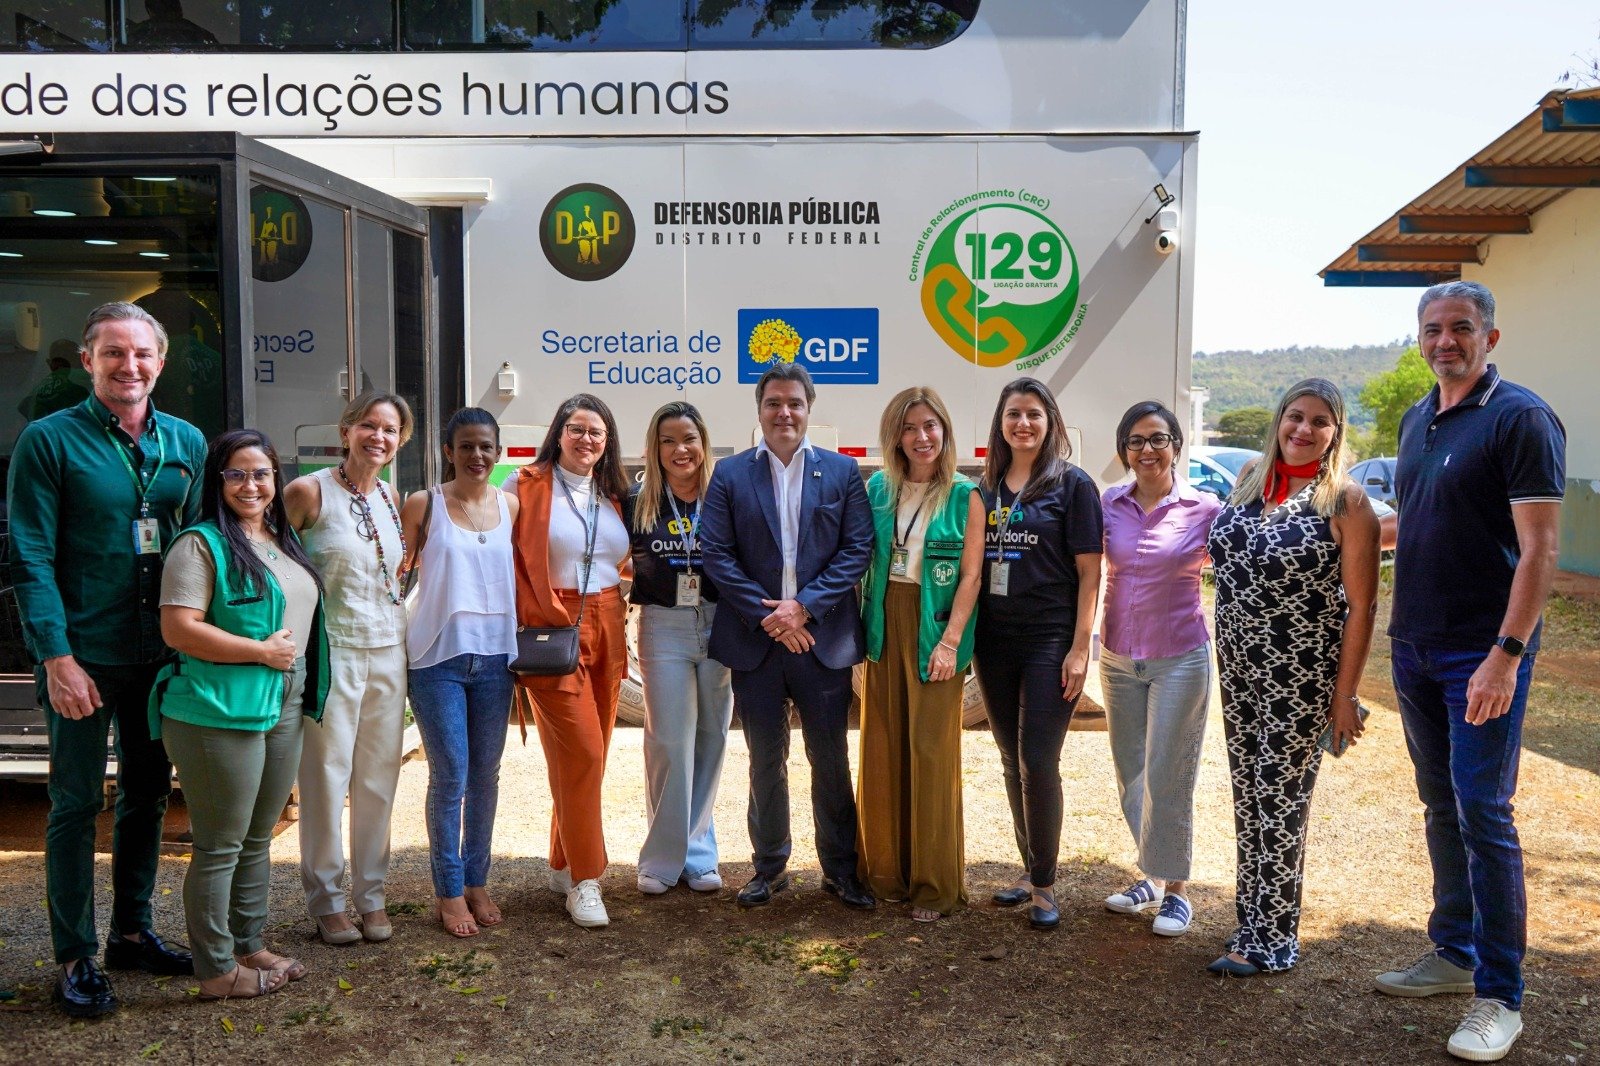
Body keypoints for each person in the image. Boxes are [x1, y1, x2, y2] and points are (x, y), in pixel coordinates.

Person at [1373, 282, 1564, 1063]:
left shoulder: (1520, 418)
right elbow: (1420, 519)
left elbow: (1540, 549)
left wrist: (1505, 655)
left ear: (1490, 337)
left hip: (1478, 655)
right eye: (1432, 329)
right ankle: (1454, 952)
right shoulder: (1418, 417)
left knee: (1484, 810)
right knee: (1440, 805)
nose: (1444, 341)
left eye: (1460, 328)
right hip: (1414, 644)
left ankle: (1500, 996)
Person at [7, 302, 204, 1017]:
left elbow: (200, 545)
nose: (130, 365)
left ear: (161, 362)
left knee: (149, 795)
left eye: (142, 353)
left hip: (159, 655)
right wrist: (56, 657)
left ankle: (131, 933)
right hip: (83, 655)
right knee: (76, 802)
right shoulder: (49, 441)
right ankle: (74, 955)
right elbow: (29, 555)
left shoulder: (185, 440)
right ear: (88, 360)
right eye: (114, 353)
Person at [1205, 378, 1379, 977]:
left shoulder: (1345, 502)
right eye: (1295, 416)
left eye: (1320, 421)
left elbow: (1363, 607)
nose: (1304, 429)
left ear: (1336, 433)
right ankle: (1249, 923)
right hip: (1238, 669)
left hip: (1298, 677)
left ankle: (1273, 941)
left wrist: (1344, 695)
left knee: (1281, 802)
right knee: (1248, 796)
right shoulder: (1249, 480)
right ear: (1279, 420)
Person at [153, 429, 330, 999]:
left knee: (258, 835)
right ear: (218, 480)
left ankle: (247, 944)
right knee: (221, 843)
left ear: (276, 479)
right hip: (218, 707)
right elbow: (178, 628)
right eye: (236, 473)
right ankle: (215, 970)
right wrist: (259, 651)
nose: (250, 485)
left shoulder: (281, 539)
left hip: (284, 699)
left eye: (261, 473)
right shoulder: (199, 545)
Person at [699, 363, 875, 911]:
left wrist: (804, 608)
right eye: (774, 403)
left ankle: (840, 871)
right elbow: (716, 554)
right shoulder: (730, 474)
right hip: (756, 643)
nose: (784, 413)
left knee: (831, 759)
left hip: (821, 641)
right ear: (759, 410)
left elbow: (857, 549)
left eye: (794, 403)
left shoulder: (841, 472)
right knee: (764, 760)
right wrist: (770, 617)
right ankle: (769, 867)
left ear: (809, 408)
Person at [972, 377, 1103, 931]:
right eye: (1013, 414)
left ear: (1050, 422)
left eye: (1033, 414)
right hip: (993, 640)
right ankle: (1029, 869)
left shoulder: (1073, 485)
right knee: (1010, 756)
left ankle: (1045, 886)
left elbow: (1090, 572)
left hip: (1051, 639)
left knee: (1038, 760)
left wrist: (1080, 648)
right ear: (999, 423)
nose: (1022, 423)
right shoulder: (985, 488)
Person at [284, 392, 414, 946]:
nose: (378, 437)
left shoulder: (390, 495)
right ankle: (327, 901)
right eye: (368, 426)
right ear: (345, 431)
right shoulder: (307, 492)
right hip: (331, 652)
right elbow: (275, 567)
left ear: (400, 441)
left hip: (388, 651)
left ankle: (372, 895)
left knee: (379, 780)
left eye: (390, 430)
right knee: (325, 777)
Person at [856, 387, 984, 922]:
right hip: (883, 622)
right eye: (909, 427)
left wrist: (950, 642)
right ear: (895, 436)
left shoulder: (964, 495)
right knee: (882, 745)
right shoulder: (877, 490)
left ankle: (934, 886)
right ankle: (885, 876)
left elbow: (971, 576)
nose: (921, 436)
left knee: (930, 753)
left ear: (944, 431)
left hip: (936, 628)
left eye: (930, 425)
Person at [1098, 401, 1222, 938]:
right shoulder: (1108, 504)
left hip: (1180, 658)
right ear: (1124, 449)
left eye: (1158, 439)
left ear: (1175, 444)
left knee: (1170, 773)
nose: (1147, 449)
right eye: (1136, 440)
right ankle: (1150, 875)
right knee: (1132, 773)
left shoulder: (1205, 508)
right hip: (1118, 658)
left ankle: (1176, 891)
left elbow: (1241, 568)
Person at [510, 394, 631, 928]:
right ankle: (587, 878)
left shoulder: (613, 492)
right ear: (558, 432)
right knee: (583, 751)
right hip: (551, 626)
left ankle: (561, 860)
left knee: (589, 754)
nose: (586, 439)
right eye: (576, 429)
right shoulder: (524, 485)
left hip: (609, 621)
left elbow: (621, 561)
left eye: (596, 432)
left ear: (608, 442)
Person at [399, 408, 519, 938]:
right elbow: (396, 573)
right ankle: (448, 891)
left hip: (496, 658)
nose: (477, 455)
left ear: (498, 452)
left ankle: (477, 881)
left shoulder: (510, 505)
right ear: (448, 451)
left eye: (486, 446)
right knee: (450, 776)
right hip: (437, 658)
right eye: (466, 445)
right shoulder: (423, 504)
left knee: (486, 777)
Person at [627, 401, 732, 896]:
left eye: (688, 439)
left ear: (703, 443)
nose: (679, 449)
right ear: (655, 447)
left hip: (719, 622)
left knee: (712, 737)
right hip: (662, 625)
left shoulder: (725, 496)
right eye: (667, 441)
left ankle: (699, 853)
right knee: (669, 741)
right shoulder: (637, 499)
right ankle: (661, 858)